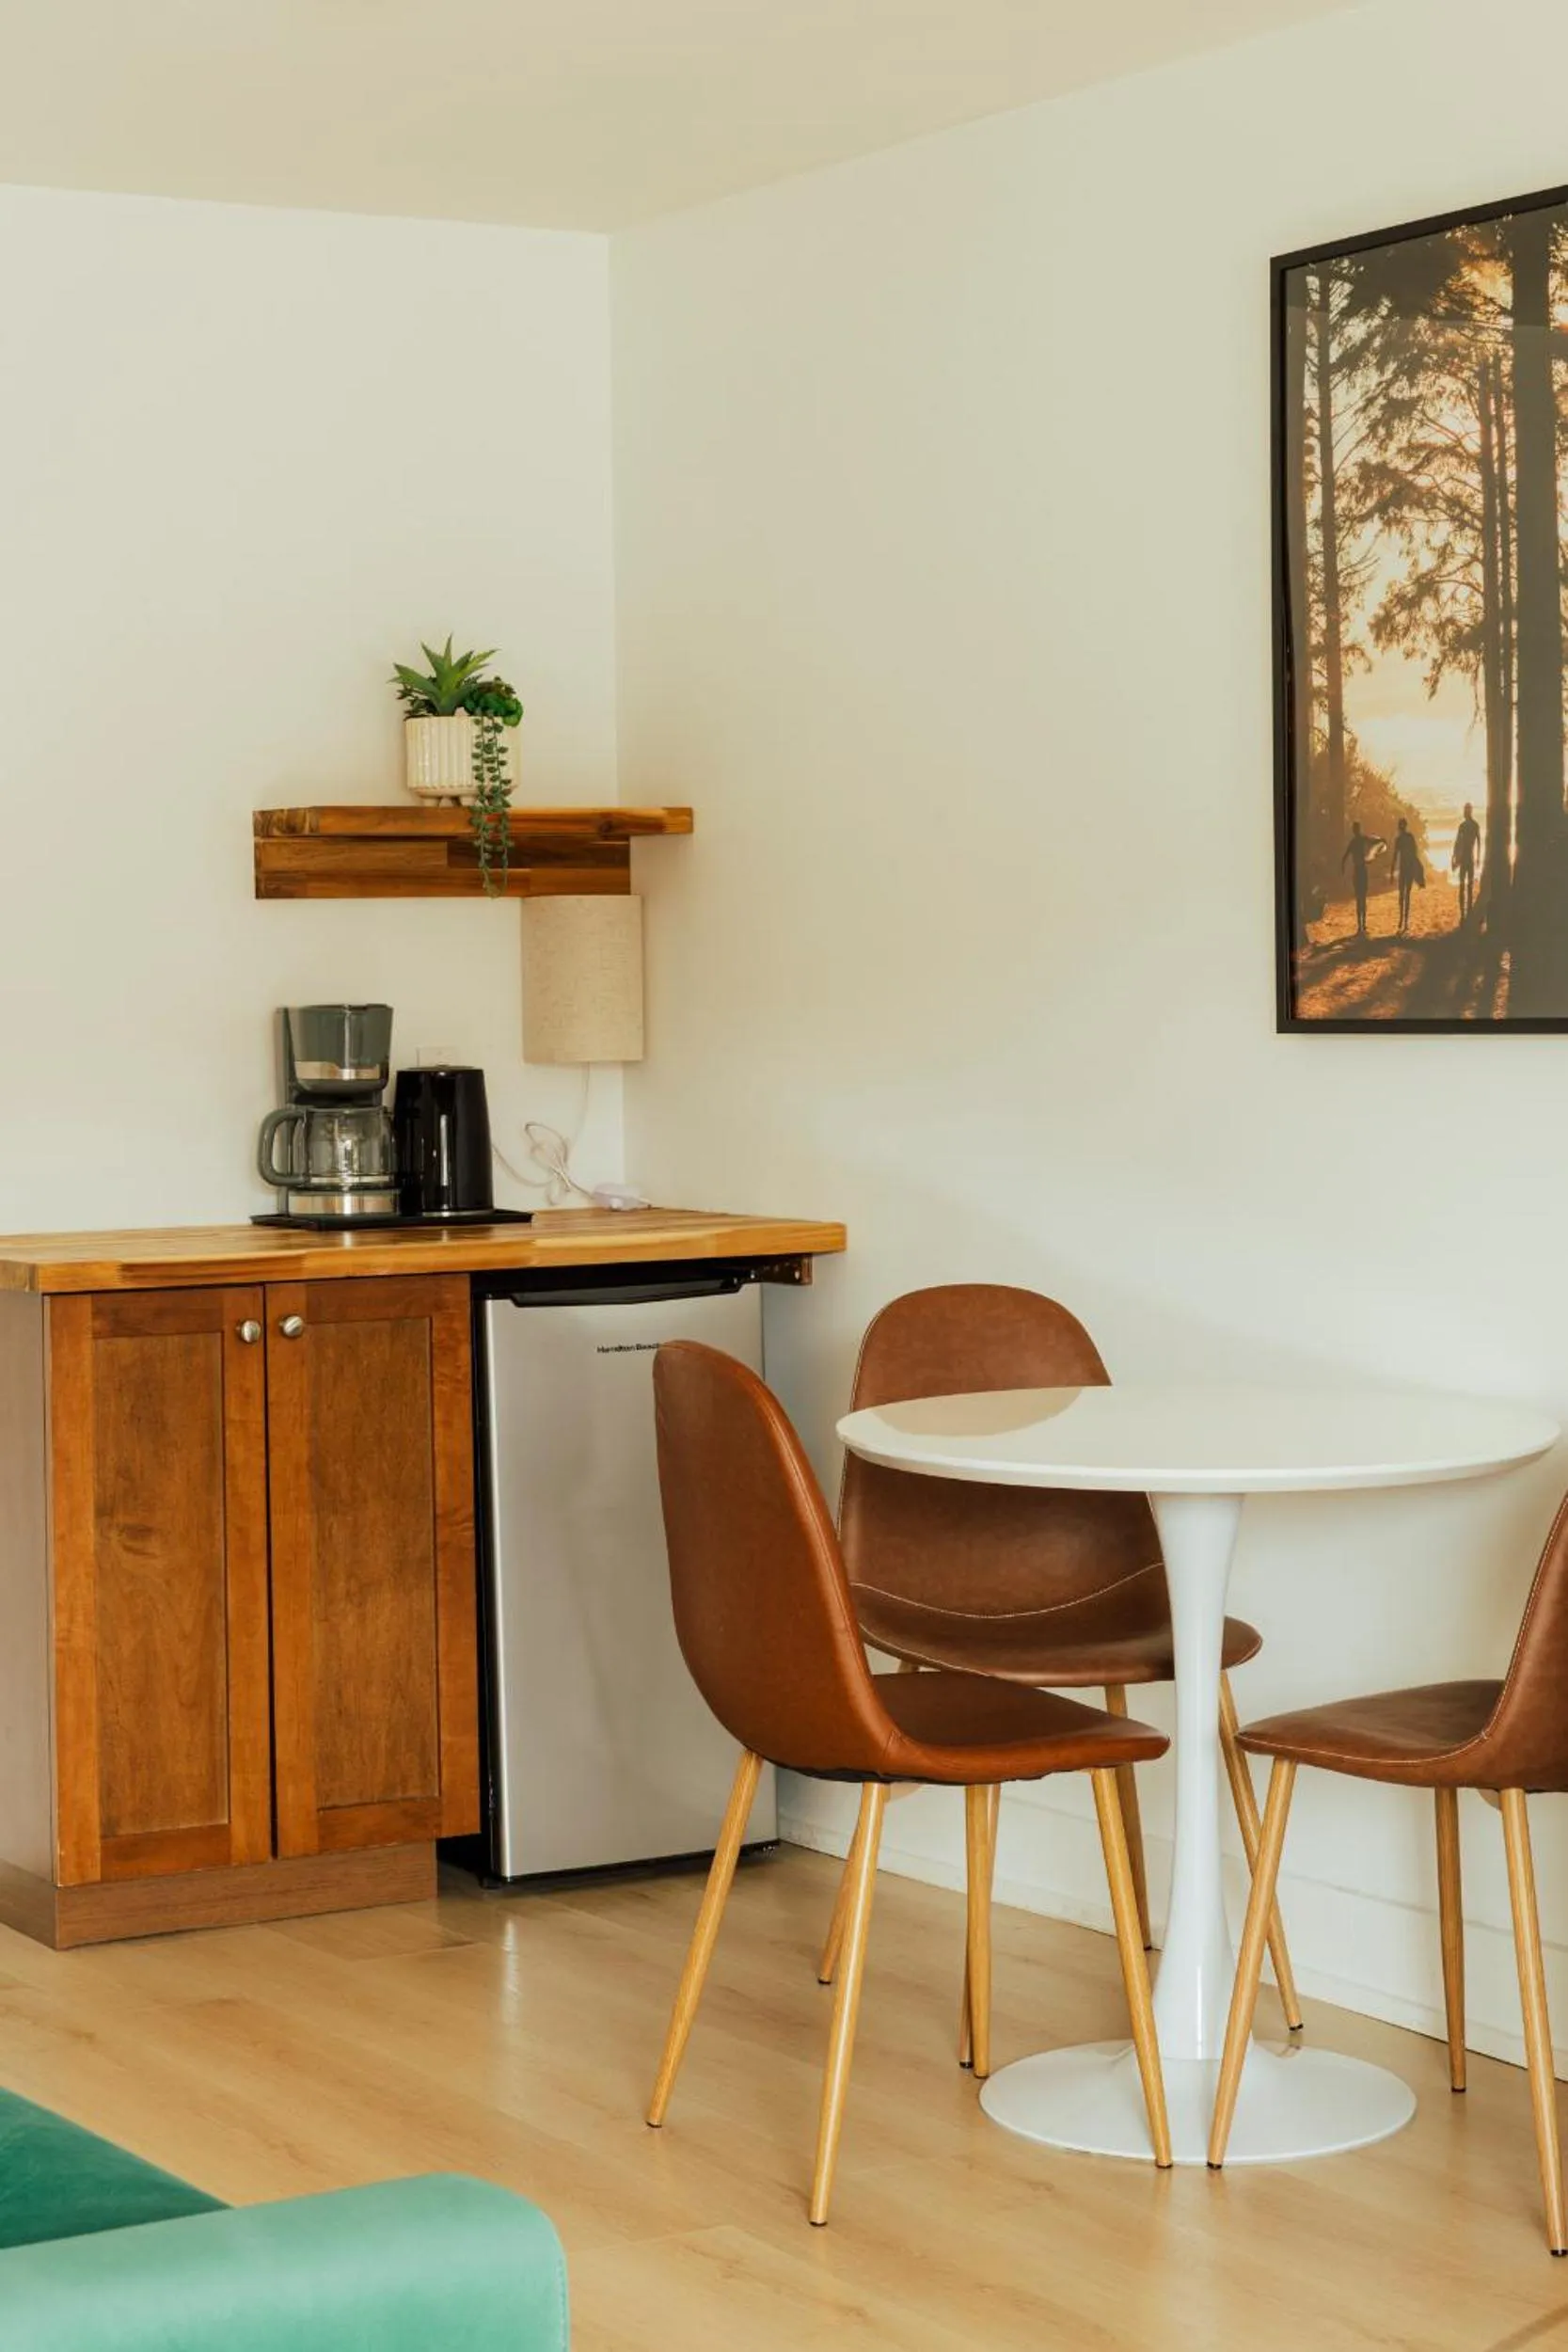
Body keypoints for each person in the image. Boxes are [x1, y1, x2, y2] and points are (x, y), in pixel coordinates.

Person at [1340, 820, 1386, 937]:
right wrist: (1381, 842)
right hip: (1361, 871)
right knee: (1362, 898)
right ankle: (1362, 924)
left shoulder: (1354, 841)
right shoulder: (1361, 839)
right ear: (1358, 829)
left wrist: (1342, 868)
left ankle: (1361, 924)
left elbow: (1345, 857)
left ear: (1354, 830)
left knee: (1360, 898)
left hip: (1358, 871)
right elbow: (1374, 841)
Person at [1389, 816, 1423, 934]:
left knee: (1403, 895)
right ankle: (1404, 920)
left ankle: (1403, 920)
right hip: (1406, 869)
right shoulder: (1408, 837)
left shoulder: (1401, 839)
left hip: (1405, 869)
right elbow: (1414, 853)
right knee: (1405, 895)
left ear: (1400, 826)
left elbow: (1395, 856)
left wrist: (1392, 871)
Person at [1451, 801, 1481, 921]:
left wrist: (1454, 857)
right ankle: (1466, 911)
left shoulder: (1465, 826)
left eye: (1465, 810)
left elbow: (1458, 842)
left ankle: (1465, 912)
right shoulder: (1473, 825)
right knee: (1467, 886)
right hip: (1469, 859)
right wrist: (1478, 857)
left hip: (1466, 859)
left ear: (1468, 811)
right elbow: (1479, 842)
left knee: (1464, 886)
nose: (1464, 812)